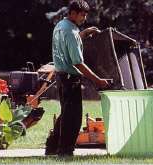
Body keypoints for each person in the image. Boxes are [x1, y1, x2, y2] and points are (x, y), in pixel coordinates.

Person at [45, 0, 108, 156]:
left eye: (86, 15)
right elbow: (78, 63)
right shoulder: (71, 32)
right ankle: (65, 151)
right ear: (72, 13)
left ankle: (52, 147)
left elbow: (68, 42)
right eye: (82, 15)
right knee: (73, 118)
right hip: (70, 78)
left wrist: (84, 34)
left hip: (60, 76)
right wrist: (97, 80)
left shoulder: (60, 26)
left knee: (66, 113)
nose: (84, 18)